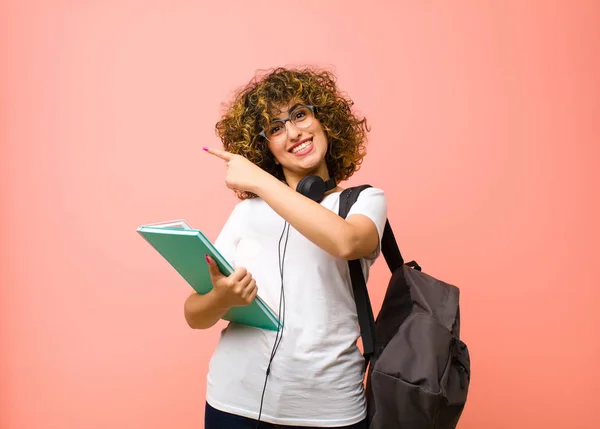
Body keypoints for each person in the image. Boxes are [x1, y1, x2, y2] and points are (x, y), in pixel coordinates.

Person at [184, 67, 387, 429]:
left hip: (328, 411)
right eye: (276, 128)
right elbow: (194, 315)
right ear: (266, 147)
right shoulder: (247, 213)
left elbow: (347, 242)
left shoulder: (362, 201)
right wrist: (222, 298)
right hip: (232, 404)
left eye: (299, 115)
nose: (293, 132)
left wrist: (260, 181)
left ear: (324, 120)